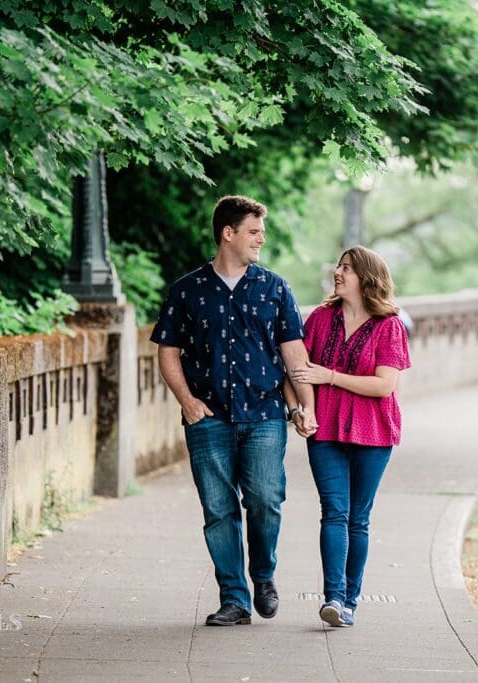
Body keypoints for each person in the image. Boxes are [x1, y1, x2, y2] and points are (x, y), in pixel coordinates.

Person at [151, 195, 317, 627]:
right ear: (229, 233)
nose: (261, 239)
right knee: (218, 510)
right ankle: (234, 599)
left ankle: (263, 576)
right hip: (208, 420)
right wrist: (187, 403)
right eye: (254, 231)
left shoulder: (275, 288)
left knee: (266, 498)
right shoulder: (187, 290)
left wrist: (304, 407)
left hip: (264, 414)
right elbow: (167, 351)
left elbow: (294, 356)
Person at [287, 245, 411, 628]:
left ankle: (351, 601)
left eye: (347, 269)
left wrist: (331, 377)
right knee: (334, 513)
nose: (338, 274)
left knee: (358, 518)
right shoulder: (321, 319)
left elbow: (384, 385)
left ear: (367, 279)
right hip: (324, 429)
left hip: (374, 432)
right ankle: (333, 598)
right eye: (339, 267)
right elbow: (293, 370)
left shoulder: (389, 325)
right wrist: (296, 410)